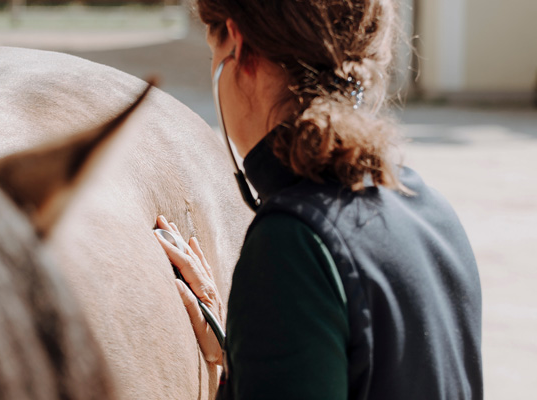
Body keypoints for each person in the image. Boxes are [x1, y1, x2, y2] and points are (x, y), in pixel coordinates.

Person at [154, 0, 483, 399]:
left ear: (238, 48)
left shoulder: (292, 244)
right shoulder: (430, 209)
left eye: (214, 53)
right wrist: (248, 351)